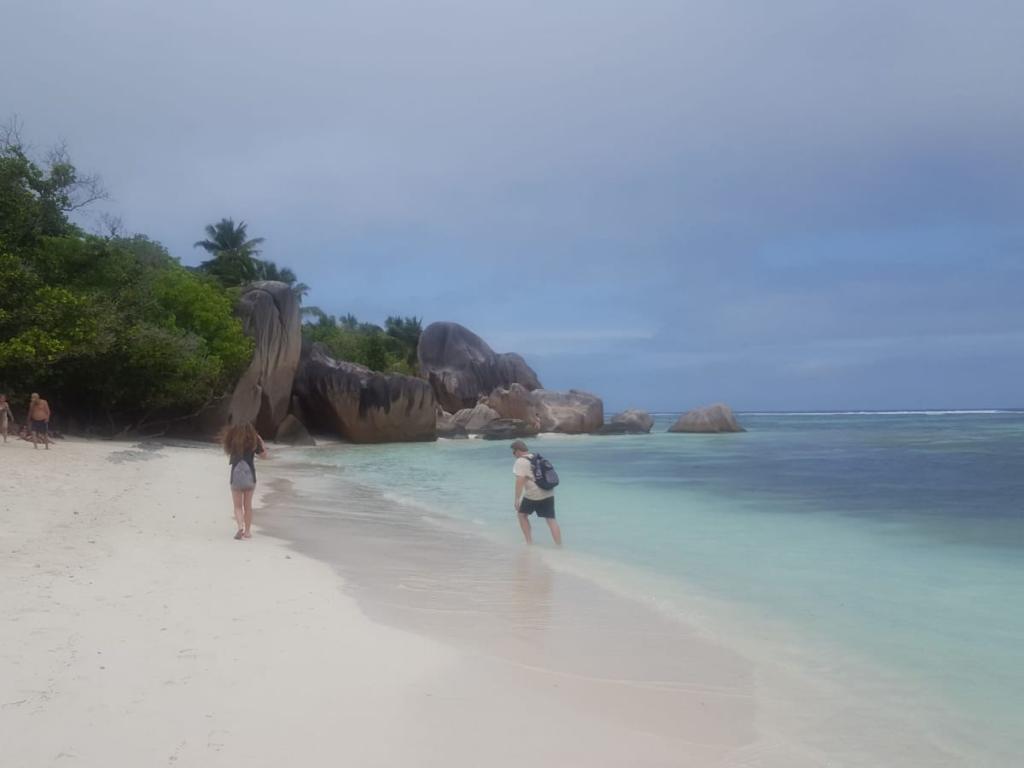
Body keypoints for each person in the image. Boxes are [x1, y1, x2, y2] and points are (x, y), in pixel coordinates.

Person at [221, 423, 268, 540]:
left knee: (237, 506)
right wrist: (260, 440)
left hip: (236, 476)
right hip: (249, 476)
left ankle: (240, 527)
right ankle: (247, 532)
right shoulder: (253, 441)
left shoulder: (232, 441)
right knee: (247, 506)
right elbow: (264, 456)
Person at [511, 439, 562, 546]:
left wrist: (517, 499)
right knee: (551, 520)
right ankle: (559, 546)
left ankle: (529, 543)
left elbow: (520, 480)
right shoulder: (536, 457)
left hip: (534, 494)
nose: (513, 454)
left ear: (518, 450)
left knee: (522, 515)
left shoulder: (520, 461)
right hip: (548, 492)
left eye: (513, 452)